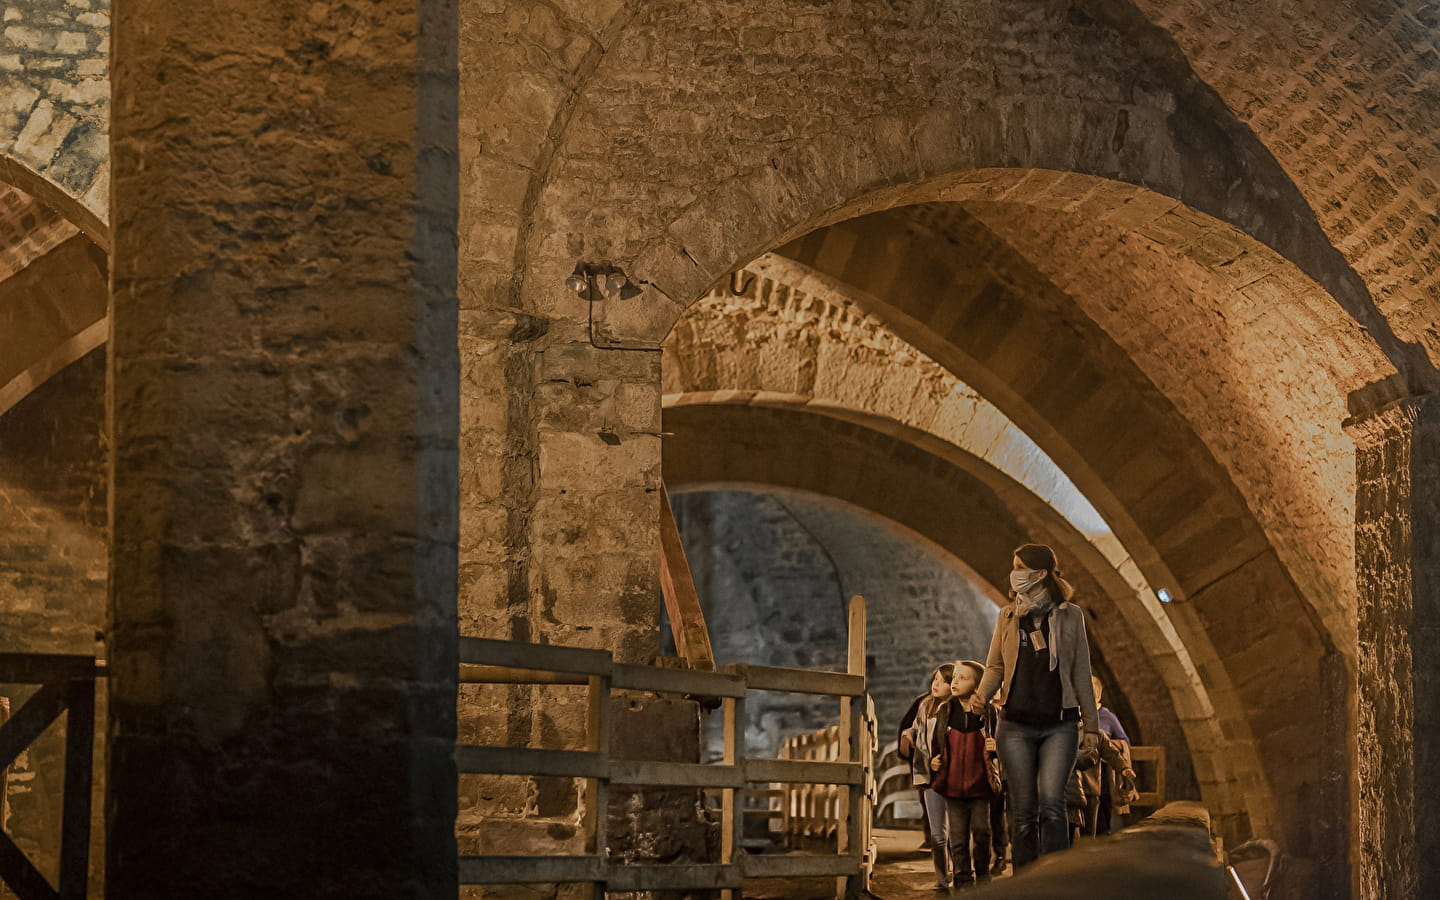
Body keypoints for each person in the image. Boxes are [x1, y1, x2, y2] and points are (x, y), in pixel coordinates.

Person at [968, 543, 1099, 870]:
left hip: (1060, 724)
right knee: (1023, 809)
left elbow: (1081, 672)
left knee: (1053, 803)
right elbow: (995, 666)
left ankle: (1055, 881)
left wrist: (1092, 728)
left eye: (1019, 567)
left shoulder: (1071, 616)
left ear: (1039, 574)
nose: (1014, 574)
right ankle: (1025, 883)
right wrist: (982, 695)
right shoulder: (1008, 616)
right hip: (1015, 725)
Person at [930, 660, 996, 887]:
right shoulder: (946, 710)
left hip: (980, 785)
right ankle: (963, 880)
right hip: (953, 786)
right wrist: (934, 761)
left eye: (962, 678)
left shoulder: (989, 712)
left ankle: (983, 875)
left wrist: (996, 748)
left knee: (981, 832)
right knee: (957, 839)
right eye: (955, 677)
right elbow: (936, 743)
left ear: (977, 685)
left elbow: (1000, 743)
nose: (955, 682)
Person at [898, 664, 955, 880]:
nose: (936, 685)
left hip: (953, 775)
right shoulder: (925, 705)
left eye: (942, 681)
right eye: (935, 680)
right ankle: (942, 880)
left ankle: (962, 876)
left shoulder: (957, 708)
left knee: (956, 833)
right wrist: (908, 736)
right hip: (929, 776)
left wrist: (942, 760)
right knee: (938, 835)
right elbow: (916, 727)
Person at [1083, 676, 1140, 835]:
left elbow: (1124, 741)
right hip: (1084, 779)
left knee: (1101, 821)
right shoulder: (1077, 716)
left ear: (1099, 695)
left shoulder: (1107, 717)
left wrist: (1103, 748)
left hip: (1104, 782)